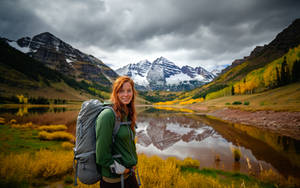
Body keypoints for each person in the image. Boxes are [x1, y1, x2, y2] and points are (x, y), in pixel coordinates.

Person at [95, 76, 139, 188]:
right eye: (121, 91)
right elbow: (102, 155)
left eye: (129, 91)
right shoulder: (108, 115)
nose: (126, 94)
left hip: (129, 176)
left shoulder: (126, 114)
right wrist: (122, 170)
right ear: (116, 93)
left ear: (133, 93)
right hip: (114, 181)